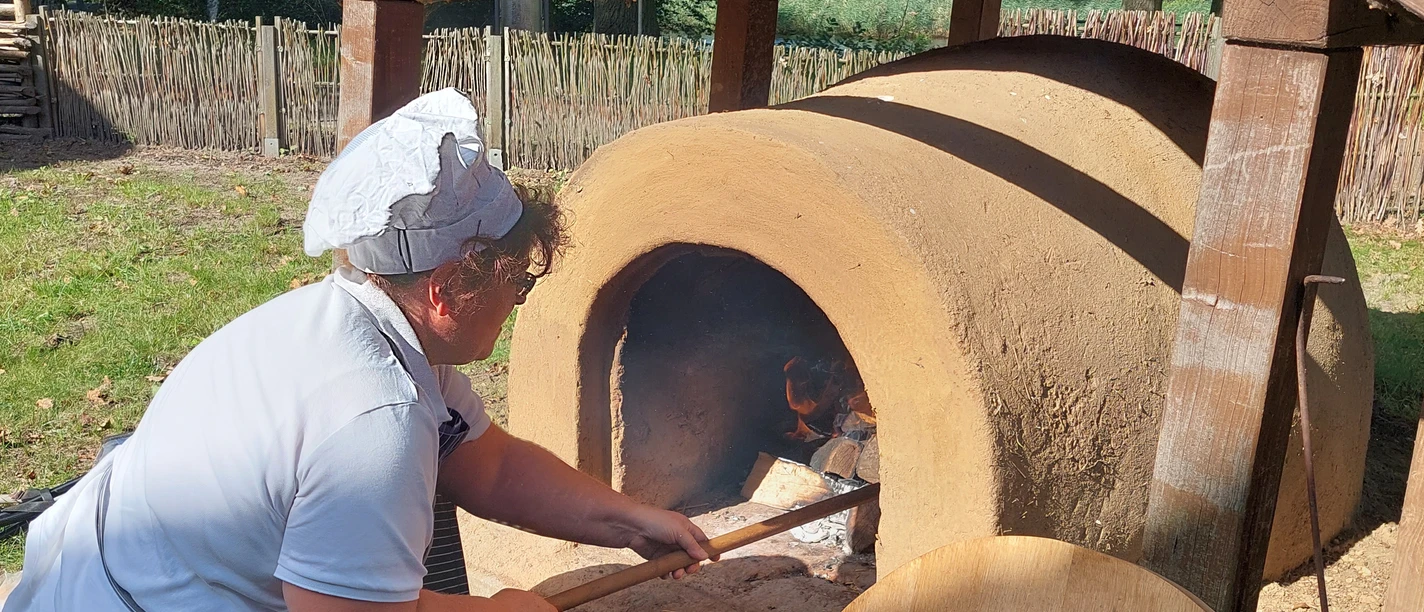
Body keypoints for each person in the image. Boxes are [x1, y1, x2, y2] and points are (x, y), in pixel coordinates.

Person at [4, 89, 712, 612]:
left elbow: (488, 467)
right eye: (516, 281)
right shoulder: (374, 415)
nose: (520, 297)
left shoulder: (368, 324)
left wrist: (627, 521)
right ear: (445, 289)